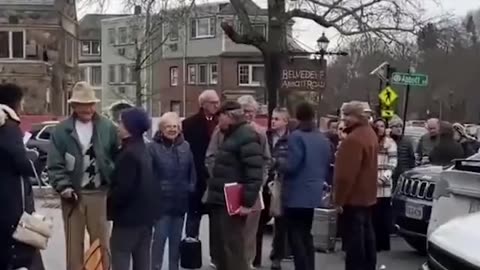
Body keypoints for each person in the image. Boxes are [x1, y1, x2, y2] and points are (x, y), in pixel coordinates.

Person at [47, 81, 119, 270]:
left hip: (100, 193)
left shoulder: (107, 127)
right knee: (73, 244)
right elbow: (54, 164)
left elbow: (118, 156)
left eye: (91, 104)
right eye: (83, 105)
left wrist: (112, 180)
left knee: (101, 242)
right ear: (74, 106)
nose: (88, 109)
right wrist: (64, 187)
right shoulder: (61, 131)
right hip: (73, 194)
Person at [207, 101, 264, 270]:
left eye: (220, 117)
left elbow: (254, 172)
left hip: (233, 202)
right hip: (221, 200)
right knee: (223, 249)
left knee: (233, 248)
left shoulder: (246, 136)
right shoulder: (231, 135)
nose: (218, 122)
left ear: (229, 116)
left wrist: (247, 203)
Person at [277, 102, 332, 270]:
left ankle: (302, 267)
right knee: (307, 234)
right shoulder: (322, 138)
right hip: (314, 193)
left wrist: (278, 163)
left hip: (296, 193)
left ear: (298, 116)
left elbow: (292, 165)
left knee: (295, 235)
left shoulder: (297, 136)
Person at [108, 107, 155, 270]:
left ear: (130, 127)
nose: (118, 126)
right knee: (142, 263)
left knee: (120, 259)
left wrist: (109, 206)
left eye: (121, 122)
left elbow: (123, 190)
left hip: (127, 221)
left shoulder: (128, 154)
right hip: (145, 220)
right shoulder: (145, 149)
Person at [334, 101, 378, 270]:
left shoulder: (353, 140)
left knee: (354, 246)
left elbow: (345, 176)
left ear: (356, 116)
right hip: (367, 196)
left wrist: (338, 200)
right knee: (367, 240)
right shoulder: (370, 134)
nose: (343, 119)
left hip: (353, 198)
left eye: (347, 115)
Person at [150, 112, 197, 270]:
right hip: (160, 203)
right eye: (168, 126)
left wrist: (190, 187)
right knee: (159, 240)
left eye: (175, 126)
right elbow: (149, 174)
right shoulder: (152, 147)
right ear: (161, 129)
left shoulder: (185, 146)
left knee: (176, 242)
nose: (172, 129)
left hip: (180, 201)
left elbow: (192, 171)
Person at [0, 83, 39, 270]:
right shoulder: (9, 125)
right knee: (16, 244)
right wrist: (31, 159)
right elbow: (19, 160)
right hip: (11, 195)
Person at [236, 95, 271, 269]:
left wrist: (262, 180)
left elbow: (266, 159)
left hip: (254, 186)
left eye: (251, 112)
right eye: (245, 111)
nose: (248, 115)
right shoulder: (227, 130)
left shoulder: (260, 133)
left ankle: (248, 262)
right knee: (233, 230)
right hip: (233, 187)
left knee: (251, 230)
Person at [182, 90, 219, 245]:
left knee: (216, 219)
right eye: (213, 102)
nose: (217, 105)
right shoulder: (189, 124)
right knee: (193, 215)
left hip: (216, 177)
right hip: (197, 176)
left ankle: (216, 255)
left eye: (218, 102)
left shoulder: (221, 122)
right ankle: (192, 249)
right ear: (203, 104)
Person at [267, 108, 292, 270]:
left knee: (280, 220)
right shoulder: (266, 137)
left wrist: (276, 163)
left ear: (285, 121)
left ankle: (277, 255)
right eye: (273, 118)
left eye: (277, 119)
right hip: (265, 180)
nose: (273, 121)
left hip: (281, 182)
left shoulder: (291, 140)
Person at [372, 119, 397, 252]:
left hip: (384, 184)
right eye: (377, 126)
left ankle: (383, 243)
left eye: (382, 126)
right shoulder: (371, 141)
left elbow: (393, 163)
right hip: (371, 182)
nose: (380, 128)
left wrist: (384, 178)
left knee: (382, 215)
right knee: (373, 215)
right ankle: (374, 243)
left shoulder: (390, 142)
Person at [389, 116, 415, 187]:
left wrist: (410, 172)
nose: (399, 129)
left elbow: (411, 159)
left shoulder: (407, 141)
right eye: (396, 126)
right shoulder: (387, 141)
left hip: (403, 173)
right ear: (391, 128)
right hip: (389, 173)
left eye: (400, 126)